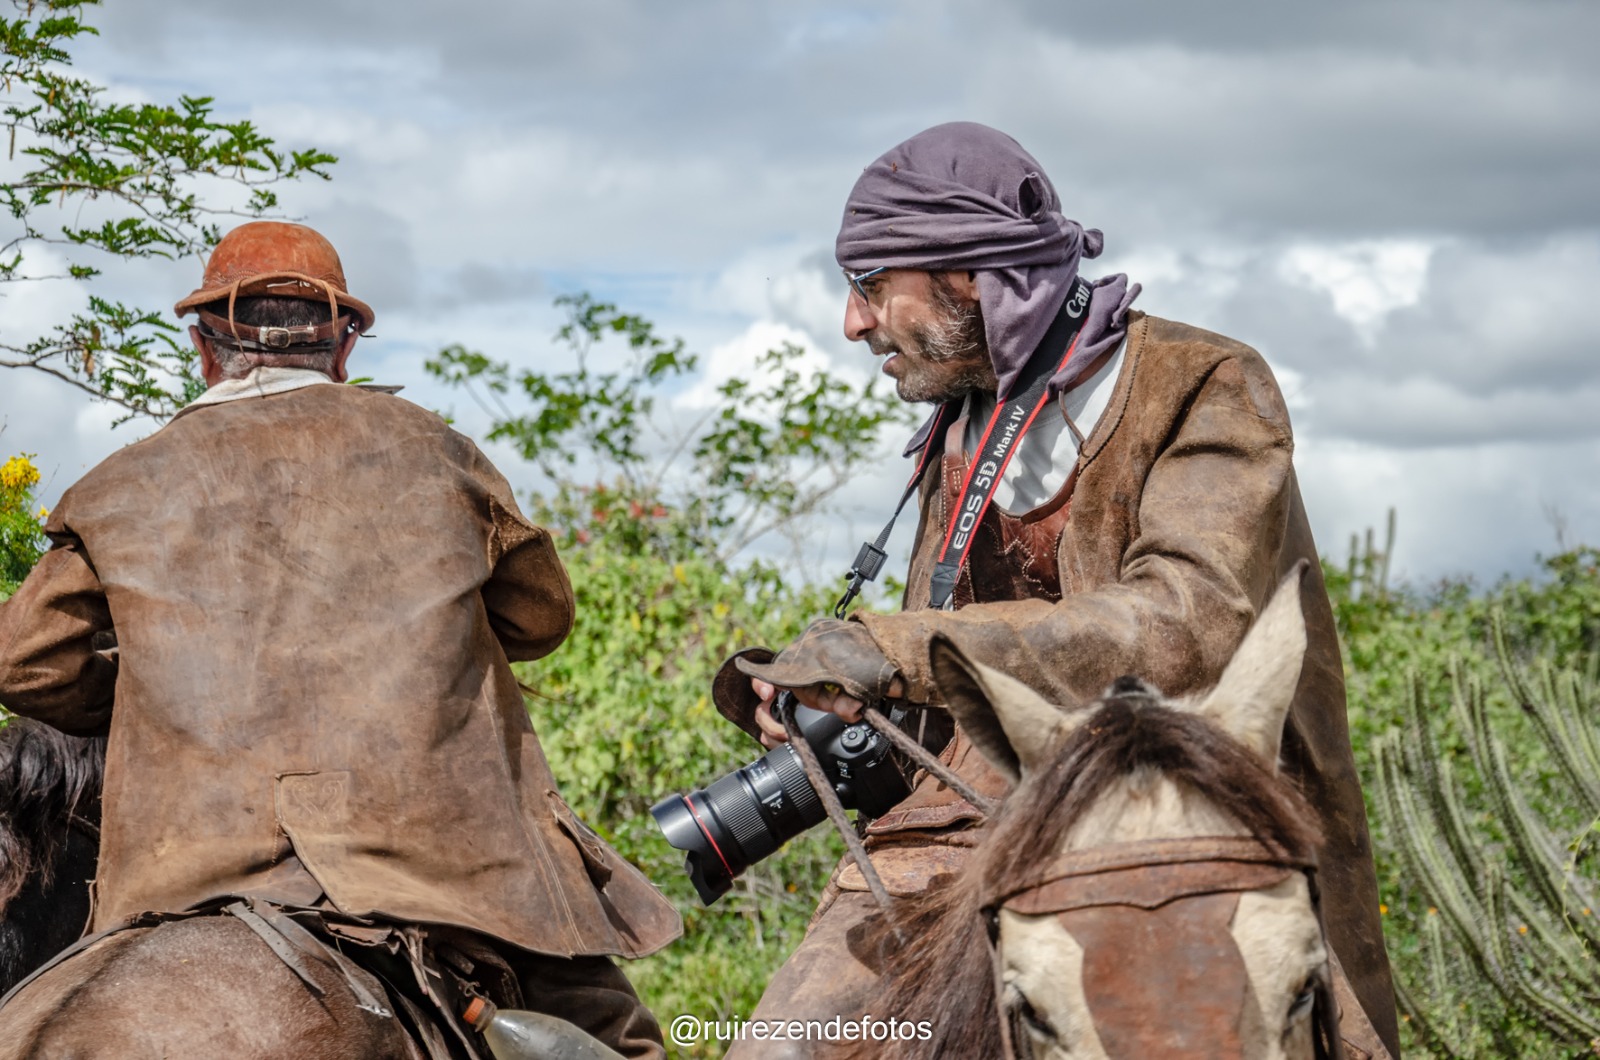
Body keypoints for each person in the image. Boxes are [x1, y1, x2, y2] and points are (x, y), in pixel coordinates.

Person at [715, 123, 1398, 1059]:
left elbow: (1185, 625)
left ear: (965, 275)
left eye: (874, 287)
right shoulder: (961, 421)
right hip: (970, 820)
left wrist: (898, 648)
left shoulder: (1203, 383)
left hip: (1185, 804)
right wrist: (835, 699)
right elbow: (945, 669)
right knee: (777, 1048)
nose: (854, 322)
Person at [0, 221, 678, 1058]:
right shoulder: (439, 454)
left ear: (207, 350)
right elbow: (542, 619)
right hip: (442, 876)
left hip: (181, 876)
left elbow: (24, 664)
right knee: (608, 1030)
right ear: (344, 344)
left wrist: (168, 693)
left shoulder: (116, 484)